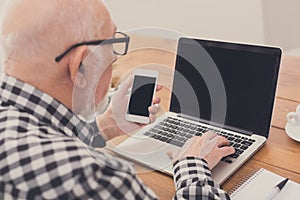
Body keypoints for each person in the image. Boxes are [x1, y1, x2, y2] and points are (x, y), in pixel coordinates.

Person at [0, 0, 235, 199]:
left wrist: (108, 124)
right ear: (80, 67)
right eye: (112, 43)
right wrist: (191, 165)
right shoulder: (90, 177)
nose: (115, 56)